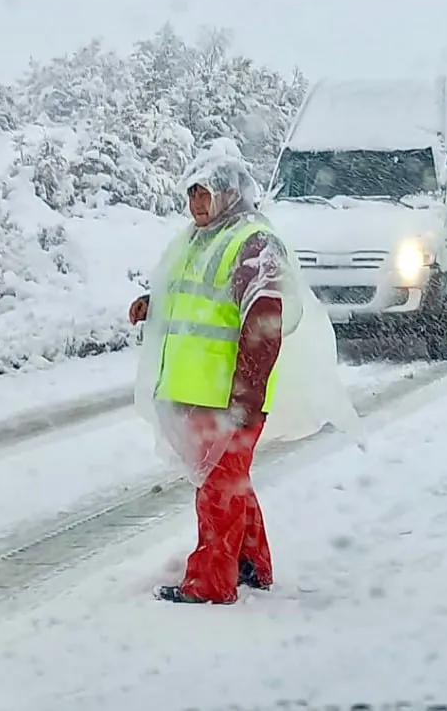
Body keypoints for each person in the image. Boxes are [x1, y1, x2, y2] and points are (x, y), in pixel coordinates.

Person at [129, 144, 290, 605]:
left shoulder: (253, 243)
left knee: (218, 490)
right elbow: (192, 295)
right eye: (192, 194)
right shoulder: (198, 239)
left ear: (230, 193)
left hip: (230, 395)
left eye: (205, 194)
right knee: (226, 482)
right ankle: (251, 565)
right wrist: (152, 304)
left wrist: (246, 394)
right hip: (197, 392)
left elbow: (264, 322)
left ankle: (210, 584)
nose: (196, 204)